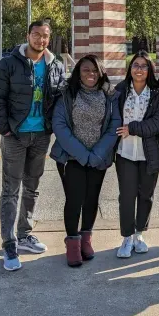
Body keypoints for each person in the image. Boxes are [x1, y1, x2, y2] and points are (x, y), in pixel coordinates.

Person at [0, 20, 65, 272]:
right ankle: (9, 243)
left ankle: (24, 235)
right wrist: (5, 128)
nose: (40, 40)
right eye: (36, 34)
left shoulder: (56, 65)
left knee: (32, 188)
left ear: (48, 39)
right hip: (16, 136)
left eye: (44, 36)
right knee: (11, 190)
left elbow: (62, 97)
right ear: (27, 35)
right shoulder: (9, 64)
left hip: (41, 135)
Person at [50, 54, 120, 267]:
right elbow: (59, 126)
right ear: (78, 72)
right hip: (71, 158)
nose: (91, 74)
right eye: (85, 70)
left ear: (101, 72)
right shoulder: (67, 94)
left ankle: (86, 239)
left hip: (98, 158)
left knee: (91, 199)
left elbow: (114, 124)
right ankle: (72, 243)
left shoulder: (109, 95)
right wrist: (83, 155)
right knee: (75, 200)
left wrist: (97, 154)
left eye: (94, 70)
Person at [113, 51, 159, 258]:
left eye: (144, 66)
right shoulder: (120, 90)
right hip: (124, 153)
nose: (139, 69)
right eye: (135, 65)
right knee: (126, 197)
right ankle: (126, 237)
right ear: (130, 68)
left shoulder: (156, 92)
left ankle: (139, 234)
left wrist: (132, 128)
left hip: (149, 154)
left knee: (146, 196)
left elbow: (158, 122)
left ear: (150, 70)